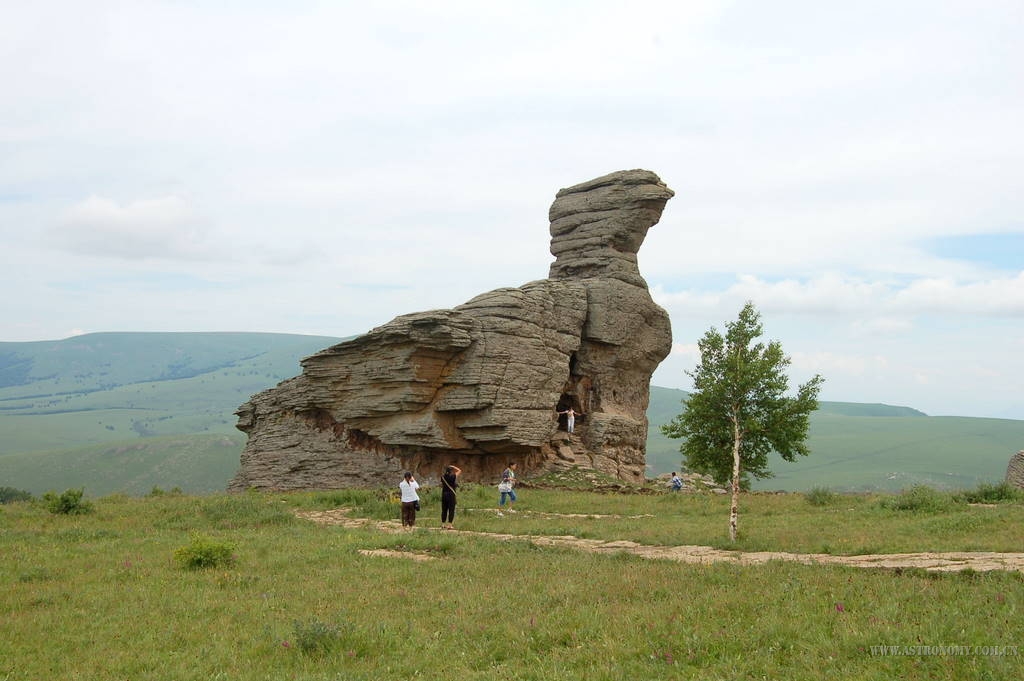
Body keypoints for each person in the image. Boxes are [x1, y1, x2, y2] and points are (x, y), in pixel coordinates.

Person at [440, 464, 462, 529]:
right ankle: (449, 525)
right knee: (451, 510)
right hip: (451, 495)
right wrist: (453, 466)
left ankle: (443, 524)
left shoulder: (442, 477)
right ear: (451, 471)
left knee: (444, 510)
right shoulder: (452, 476)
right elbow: (459, 470)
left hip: (444, 494)